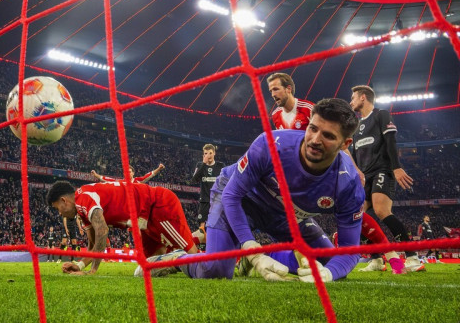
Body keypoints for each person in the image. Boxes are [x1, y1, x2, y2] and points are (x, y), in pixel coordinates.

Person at [146, 98, 365, 282]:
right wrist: (252, 249)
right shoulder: (271, 144)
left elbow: (348, 251)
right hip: (241, 201)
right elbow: (232, 195)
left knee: (328, 265)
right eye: (313, 128)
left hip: (286, 216)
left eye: (328, 136)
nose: (315, 140)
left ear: (345, 144)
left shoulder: (349, 184)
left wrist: (327, 274)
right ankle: (176, 259)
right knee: (215, 272)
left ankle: (263, 255)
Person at [269, 74, 404, 274]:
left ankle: (393, 257)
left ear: (289, 89)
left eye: (276, 89)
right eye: (270, 90)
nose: (273, 94)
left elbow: (337, 137)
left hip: (328, 169)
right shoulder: (276, 115)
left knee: (354, 211)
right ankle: (290, 255)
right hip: (299, 175)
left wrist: (354, 168)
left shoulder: (308, 109)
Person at [45, 180, 199, 275]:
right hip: (144, 222)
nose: (60, 213)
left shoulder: (83, 198)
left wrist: (92, 271)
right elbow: (92, 245)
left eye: (57, 208)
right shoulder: (82, 209)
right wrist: (79, 266)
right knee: (146, 270)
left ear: (64, 200)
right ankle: (177, 259)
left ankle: (199, 243)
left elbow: (103, 231)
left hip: (158, 205)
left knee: (194, 255)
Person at [349, 85, 424, 273]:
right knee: (357, 216)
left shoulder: (381, 114)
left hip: (383, 170)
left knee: (382, 210)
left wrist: (396, 167)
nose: (351, 101)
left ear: (363, 98)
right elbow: (356, 155)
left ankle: (412, 257)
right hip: (365, 177)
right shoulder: (356, 127)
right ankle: (376, 259)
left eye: (353, 98)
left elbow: (391, 142)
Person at [191, 144, 225, 236]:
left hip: (217, 200)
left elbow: (226, 181)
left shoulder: (220, 166)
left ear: (214, 153)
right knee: (202, 225)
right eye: (206, 153)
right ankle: (202, 246)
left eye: (210, 153)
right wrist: (203, 164)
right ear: (203, 155)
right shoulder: (200, 165)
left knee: (218, 224)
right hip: (204, 200)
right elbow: (194, 180)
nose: (208, 155)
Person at [92, 164, 163, 183]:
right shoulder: (120, 182)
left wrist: (159, 168)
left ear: (133, 173)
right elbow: (108, 179)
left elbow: (148, 175)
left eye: (129, 172)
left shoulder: (137, 181)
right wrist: (96, 175)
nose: (128, 174)